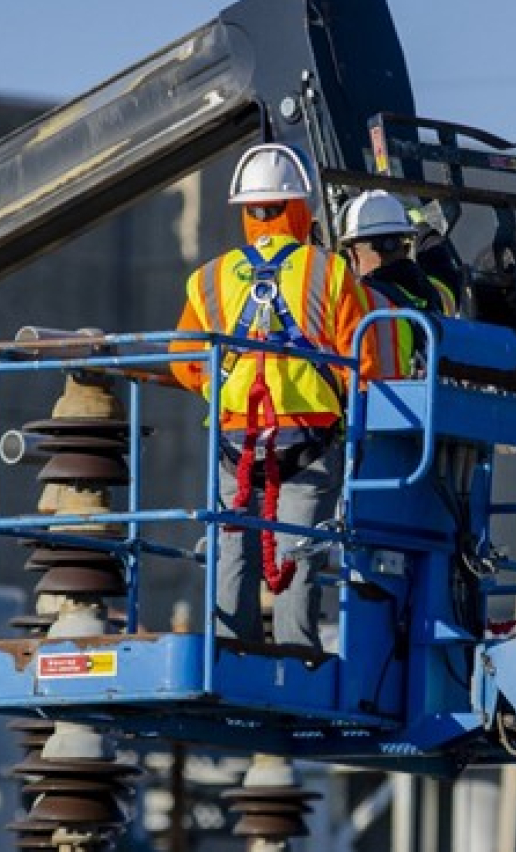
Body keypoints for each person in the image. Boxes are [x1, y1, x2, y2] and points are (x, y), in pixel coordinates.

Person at [170, 143, 379, 653]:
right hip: (308, 438)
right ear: (300, 207)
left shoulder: (210, 278)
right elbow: (366, 359)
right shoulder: (328, 271)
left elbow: (183, 360)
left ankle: (229, 650)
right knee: (298, 550)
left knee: (233, 545)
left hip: (236, 439)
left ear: (248, 210)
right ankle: (296, 654)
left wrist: (220, 388)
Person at [339, 190, 457, 378]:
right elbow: (445, 274)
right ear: (405, 246)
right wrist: (423, 229)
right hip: (423, 400)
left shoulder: (359, 300)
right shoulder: (433, 297)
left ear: (353, 254)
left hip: (376, 401)